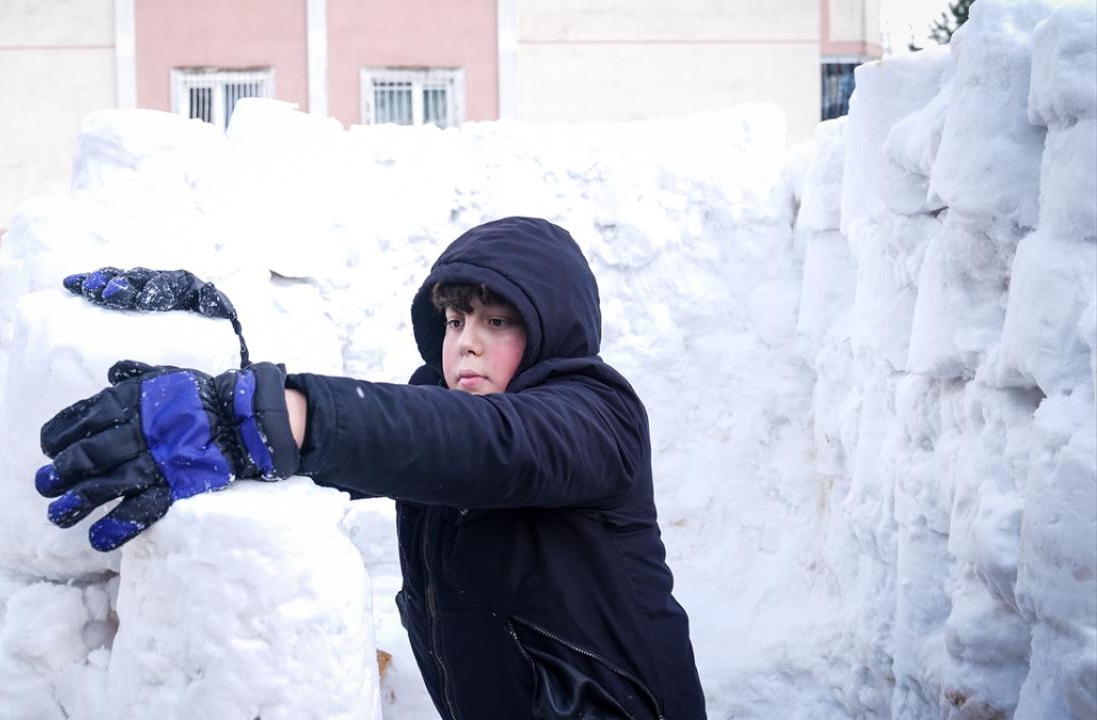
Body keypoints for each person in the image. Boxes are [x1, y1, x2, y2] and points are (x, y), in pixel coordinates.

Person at [36, 217, 707, 720]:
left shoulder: (597, 418)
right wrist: (213, 353)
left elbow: (483, 445)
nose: (466, 342)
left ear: (552, 330)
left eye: (498, 321)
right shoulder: (438, 414)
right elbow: (364, 441)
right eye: (455, 320)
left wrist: (271, 412)